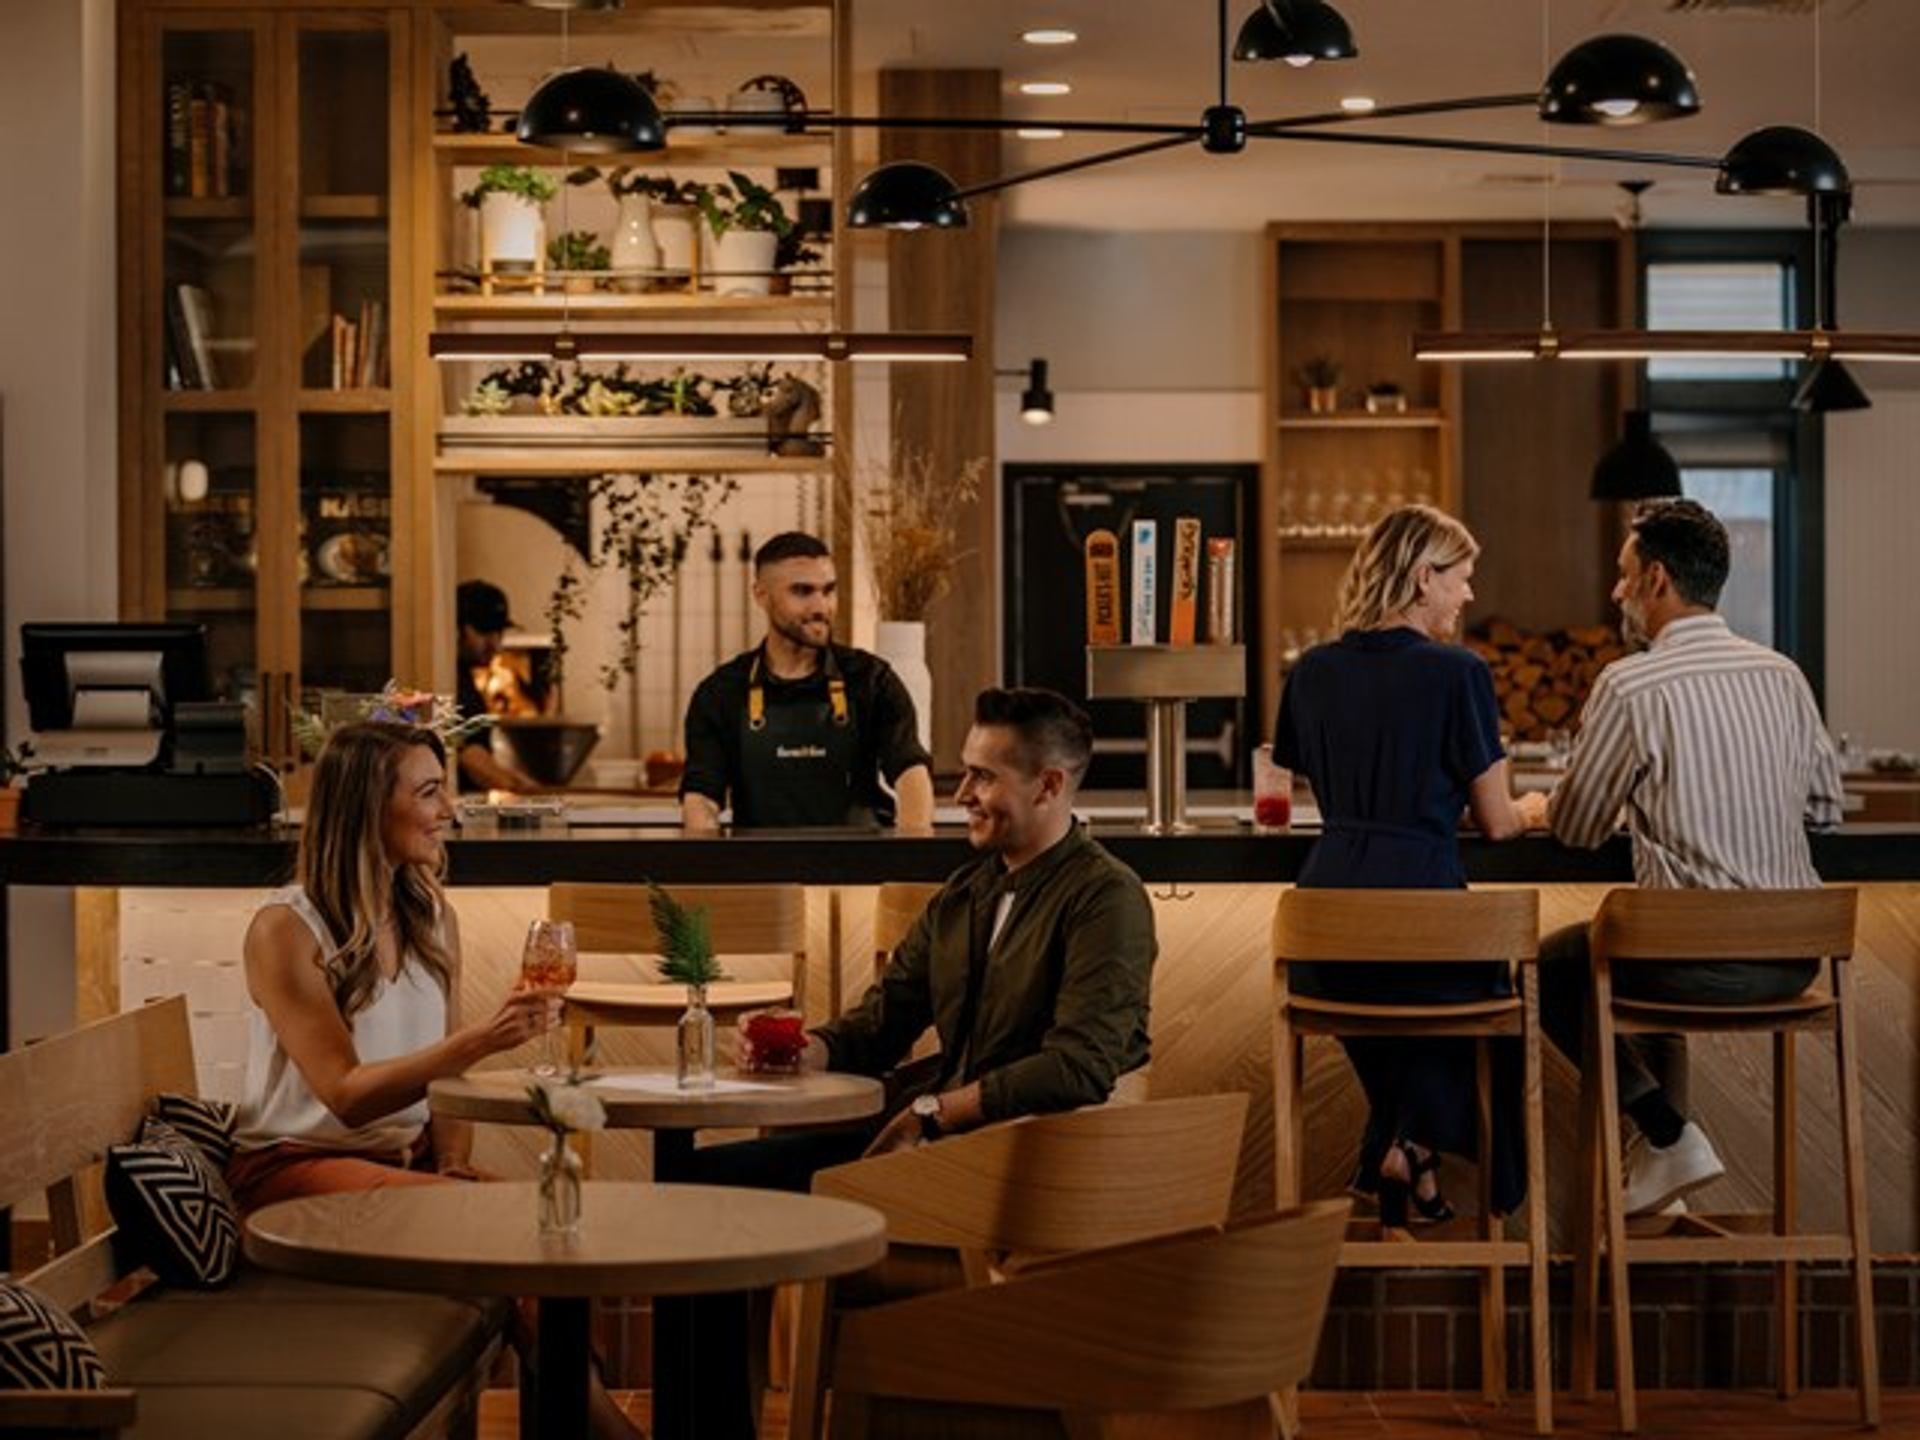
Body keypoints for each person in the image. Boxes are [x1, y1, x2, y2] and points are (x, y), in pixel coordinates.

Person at [659, 687, 1157, 1440]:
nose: (964, 795)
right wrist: (805, 1045)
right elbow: (887, 1016)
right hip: (926, 1144)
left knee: (719, 1193)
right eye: (966, 772)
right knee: (696, 1190)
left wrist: (934, 1113)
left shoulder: (1106, 897)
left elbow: (1081, 1066)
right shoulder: (968, 891)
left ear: (1050, 785)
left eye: (985, 776)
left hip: (1009, 1164)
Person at [225, 720, 639, 1440]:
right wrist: (482, 1038)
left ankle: (575, 1423)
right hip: (291, 1174)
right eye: (428, 792)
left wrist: (448, 1160)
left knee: (560, 1226)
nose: (449, 809)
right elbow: (346, 1093)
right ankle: (606, 1429)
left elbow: (443, 1071)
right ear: (365, 809)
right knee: (520, 1230)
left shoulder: (428, 915)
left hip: (395, 1168)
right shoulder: (286, 930)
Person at [1539, 498, 1844, 1215]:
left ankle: (1666, 1132)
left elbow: (1578, 830)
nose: (1614, 592)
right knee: (1638, 970)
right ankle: (1659, 1175)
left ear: (1657, 580)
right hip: (1797, 957)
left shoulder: (1630, 683)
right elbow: (1826, 809)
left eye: (1622, 576)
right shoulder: (1783, 676)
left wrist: (1551, 804)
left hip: (1685, 961)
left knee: (1549, 967)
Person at [1274, 505, 1547, 1228]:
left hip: (1326, 930)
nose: (1469, 596)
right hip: (1422, 915)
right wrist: (1537, 809)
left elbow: (1329, 786)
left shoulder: (1312, 673)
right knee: (1493, 1004)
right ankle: (1410, 1148)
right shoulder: (1459, 673)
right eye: (1462, 579)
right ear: (1424, 578)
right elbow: (1495, 819)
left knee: (1407, 1012)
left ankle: (1399, 1153)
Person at [680, 531, 934, 831]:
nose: (821, 607)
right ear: (761, 594)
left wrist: (911, 858)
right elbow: (702, 798)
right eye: (802, 591)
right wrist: (706, 863)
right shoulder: (721, 693)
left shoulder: (872, 680)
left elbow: (910, 773)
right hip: (762, 872)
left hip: (861, 869)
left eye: (828, 590)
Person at [453, 578, 538, 793]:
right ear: (456, 627)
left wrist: (515, 780)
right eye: (484, 632)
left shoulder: (463, 678)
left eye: (499, 632)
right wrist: (514, 786)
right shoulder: (448, 681)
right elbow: (467, 754)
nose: (495, 644)